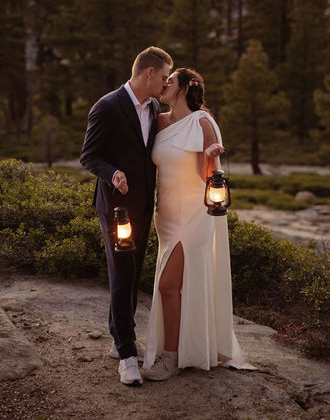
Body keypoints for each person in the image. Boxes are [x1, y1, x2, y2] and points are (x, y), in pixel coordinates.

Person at [141, 68, 249, 381]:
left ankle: (172, 358)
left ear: (185, 88)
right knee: (172, 286)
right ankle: (178, 346)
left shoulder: (203, 122)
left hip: (194, 215)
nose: (164, 85)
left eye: (169, 81)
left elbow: (209, 180)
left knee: (168, 286)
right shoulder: (158, 121)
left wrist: (211, 155)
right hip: (167, 217)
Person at [80, 46, 173, 386]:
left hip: (145, 205)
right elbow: (89, 156)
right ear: (149, 73)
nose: (166, 84)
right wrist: (113, 172)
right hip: (115, 208)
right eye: (164, 77)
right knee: (121, 274)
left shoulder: (154, 107)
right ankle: (127, 354)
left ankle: (118, 336)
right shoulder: (106, 107)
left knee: (132, 275)